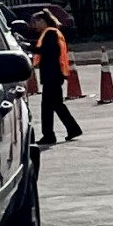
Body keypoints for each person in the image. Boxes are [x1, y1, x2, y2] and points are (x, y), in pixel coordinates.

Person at [31, 10, 82, 145]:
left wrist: (28, 47)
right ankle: (72, 129)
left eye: (36, 22)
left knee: (47, 107)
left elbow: (46, 51)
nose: (34, 25)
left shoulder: (50, 34)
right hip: (54, 75)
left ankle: (49, 135)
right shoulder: (51, 33)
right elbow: (42, 47)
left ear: (43, 21)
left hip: (52, 75)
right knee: (56, 105)